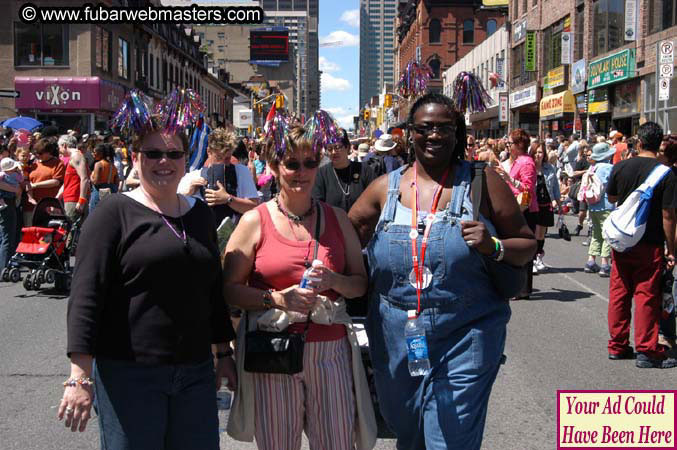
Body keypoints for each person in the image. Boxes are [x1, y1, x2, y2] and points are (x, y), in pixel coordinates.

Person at [348, 93, 536, 450]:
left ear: (457, 133)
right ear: (409, 134)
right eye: (425, 128)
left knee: (447, 438)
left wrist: (492, 245)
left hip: (467, 331)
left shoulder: (483, 182)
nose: (434, 136)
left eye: (444, 129)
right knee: (409, 432)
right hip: (395, 334)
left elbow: (525, 245)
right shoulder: (383, 191)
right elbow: (343, 237)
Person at [61, 113, 237, 447]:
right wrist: (79, 376)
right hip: (130, 374)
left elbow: (211, 291)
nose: (163, 162)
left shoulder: (199, 213)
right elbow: (86, 295)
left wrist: (223, 352)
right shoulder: (113, 212)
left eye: (173, 154)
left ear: (187, 159)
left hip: (195, 371)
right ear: (135, 156)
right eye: (152, 153)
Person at [224, 125, 377, 450]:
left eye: (310, 163)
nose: (302, 172)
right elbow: (229, 290)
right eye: (293, 164)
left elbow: (360, 285)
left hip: (330, 352)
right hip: (274, 350)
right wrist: (276, 298)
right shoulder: (255, 220)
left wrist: (334, 281)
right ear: (275, 166)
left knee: (336, 444)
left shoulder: (337, 219)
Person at [605, 121, 677, 368]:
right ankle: (647, 349)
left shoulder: (621, 167)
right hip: (650, 242)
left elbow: (611, 198)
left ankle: (617, 345)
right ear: (659, 145)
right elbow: (669, 215)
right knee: (646, 294)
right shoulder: (665, 173)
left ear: (639, 142)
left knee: (619, 292)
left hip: (623, 240)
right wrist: (671, 248)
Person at [178, 127, 258, 226]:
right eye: (219, 157)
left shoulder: (241, 172)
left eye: (227, 158)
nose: (223, 163)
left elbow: (254, 207)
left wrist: (228, 199)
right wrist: (187, 194)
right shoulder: (191, 178)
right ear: (209, 152)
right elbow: (174, 211)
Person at [495, 128, 538, 299]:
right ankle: (520, 288)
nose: (508, 145)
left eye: (510, 143)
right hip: (517, 207)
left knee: (523, 249)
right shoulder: (518, 160)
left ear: (519, 144)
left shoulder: (526, 162)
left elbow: (528, 188)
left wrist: (508, 178)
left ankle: (524, 289)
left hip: (525, 209)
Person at [312, 129, 377, 212]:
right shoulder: (321, 174)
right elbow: (317, 205)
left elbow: (374, 198)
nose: (334, 152)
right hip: (332, 223)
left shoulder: (364, 170)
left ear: (347, 147)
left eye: (337, 147)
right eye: (330, 148)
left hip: (361, 223)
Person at [531, 144, 560, 272]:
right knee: (534, 232)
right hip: (533, 204)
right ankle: (531, 259)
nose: (538, 155)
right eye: (536, 152)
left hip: (546, 204)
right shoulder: (529, 167)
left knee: (542, 234)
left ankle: (538, 257)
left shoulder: (549, 168)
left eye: (541, 152)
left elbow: (555, 187)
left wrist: (557, 202)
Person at [24, 138, 66, 226]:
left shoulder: (58, 163)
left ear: (48, 152)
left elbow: (56, 181)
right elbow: (26, 180)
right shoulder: (33, 164)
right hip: (31, 205)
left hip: (49, 205)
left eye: (40, 153)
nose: (38, 155)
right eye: (36, 153)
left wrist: (35, 185)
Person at [58, 134, 90, 222]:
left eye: (59, 148)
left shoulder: (77, 156)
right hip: (70, 199)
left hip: (74, 200)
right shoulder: (73, 157)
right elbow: (67, 182)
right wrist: (57, 197)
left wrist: (81, 200)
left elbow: (84, 179)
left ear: (64, 145)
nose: (59, 151)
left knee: (71, 232)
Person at [0, 157, 23, 269]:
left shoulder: (7, 176)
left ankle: (4, 265)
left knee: (5, 236)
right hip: (7, 205)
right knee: (7, 237)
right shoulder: (5, 176)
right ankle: (4, 267)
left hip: (9, 203)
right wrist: (15, 190)